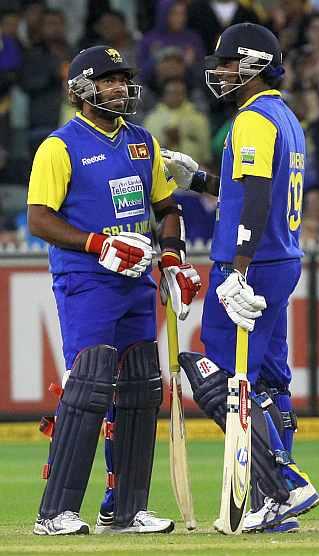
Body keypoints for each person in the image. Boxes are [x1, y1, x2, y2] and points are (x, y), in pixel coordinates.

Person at [27, 44, 200, 536]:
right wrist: (94, 243)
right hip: (86, 280)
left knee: (142, 389)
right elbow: (38, 217)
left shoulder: (143, 141)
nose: (119, 88)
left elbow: (168, 208)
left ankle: (123, 510)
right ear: (83, 89)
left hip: (137, 280)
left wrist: (171, 256)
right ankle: (54, 513)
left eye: (123, 79)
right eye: (108, 80)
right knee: (89, 388)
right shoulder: (60, 146)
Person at [162, 22, 319, 533]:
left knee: (226, 376)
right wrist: (202, 180)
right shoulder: (285, 116)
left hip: (251, 262)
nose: (220, 71)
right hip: (282, 259)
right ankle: (276, 504)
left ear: (252, 64)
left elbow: (254, 198)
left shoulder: (253, 119)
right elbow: (249, 188)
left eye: (229, 62)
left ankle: (284, 484)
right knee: (271, 380)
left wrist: (238, 270)